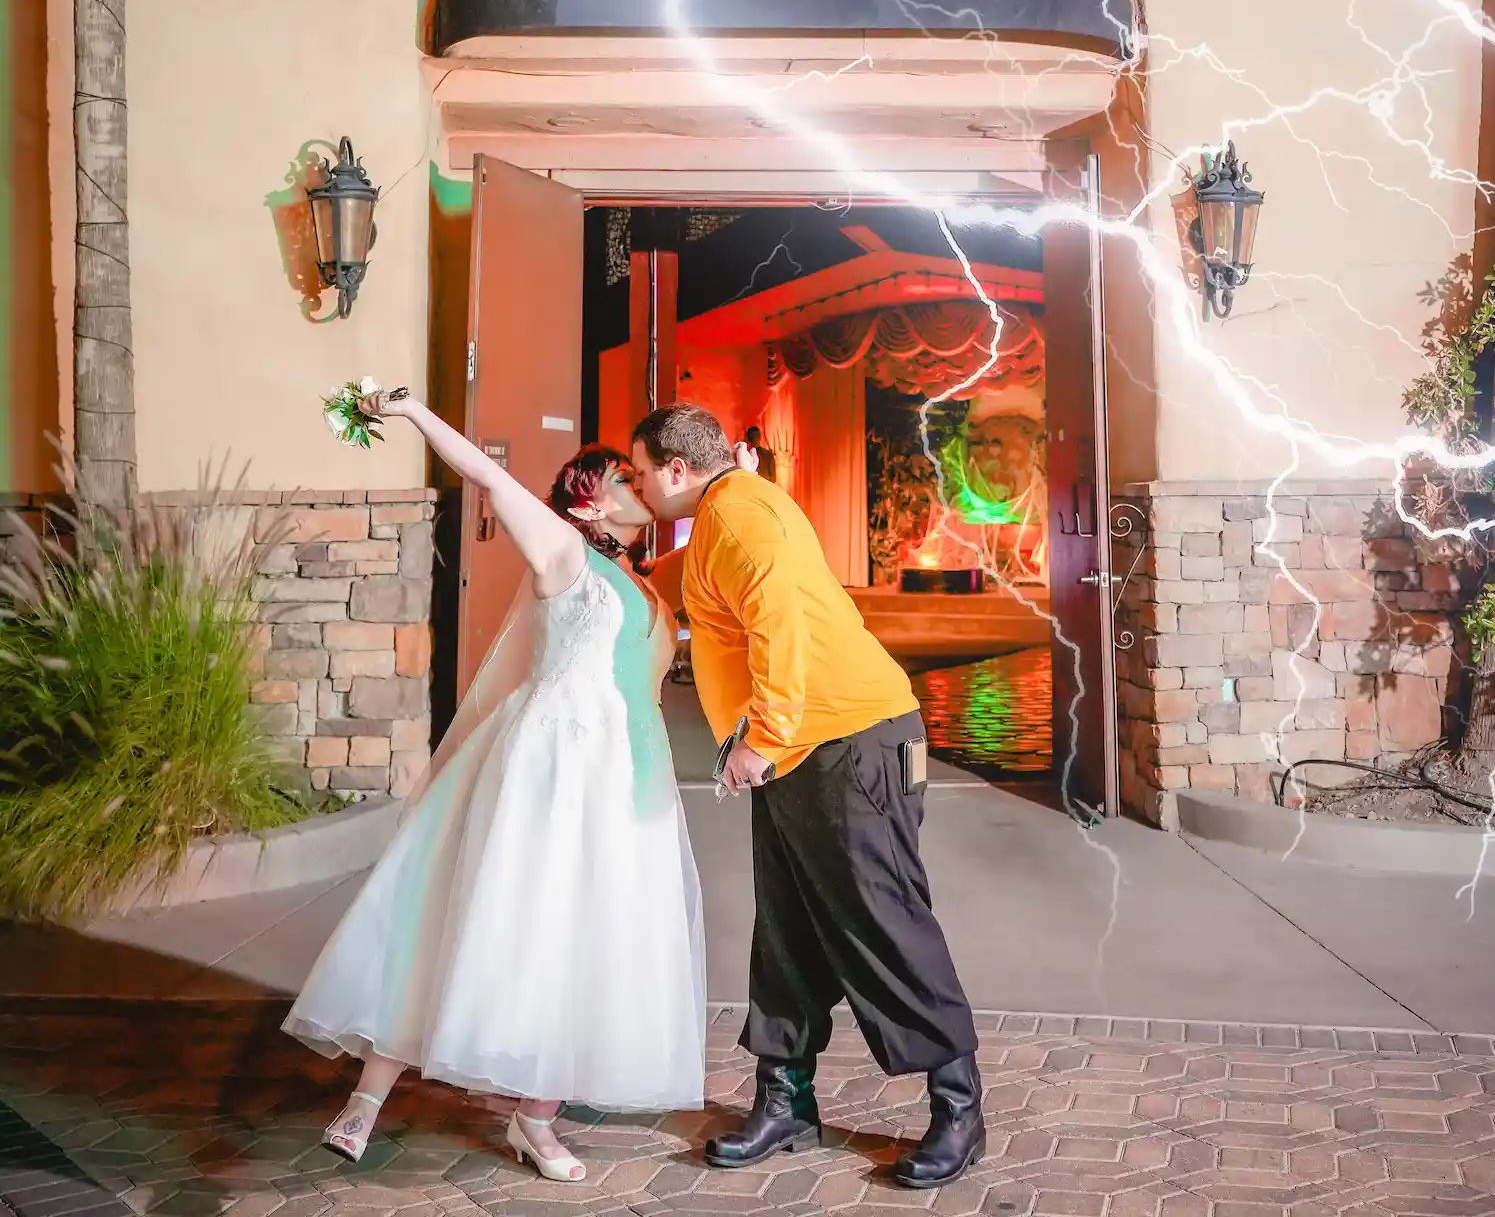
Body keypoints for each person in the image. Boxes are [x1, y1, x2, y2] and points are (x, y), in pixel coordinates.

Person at [283, 387, 706, 1179]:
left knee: (588, 938)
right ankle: (369, 1095)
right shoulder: (563, 551)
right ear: (587, 503)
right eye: (623, 477)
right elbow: (483, 472)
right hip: (548, 766)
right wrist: (412, 412)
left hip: (619, 781)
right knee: (465, 913)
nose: (637, 487)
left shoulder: (649, 582)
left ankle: (536, 1118)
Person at [630, 403, 984, 1190]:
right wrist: (599, 560)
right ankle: (785, 1099)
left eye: (640, 471)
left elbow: (781, 624)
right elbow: (671, 586)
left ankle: (959, 1108)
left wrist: (767, 738)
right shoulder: (721, 516)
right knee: (786, 926)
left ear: (677, 470)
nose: (638, 484)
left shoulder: (743, 518)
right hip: (805, 746)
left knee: (882, 920)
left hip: (849, 740)